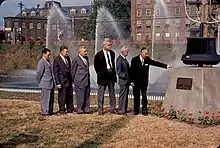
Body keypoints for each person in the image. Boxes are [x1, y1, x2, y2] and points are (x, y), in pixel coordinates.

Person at [130, 47, 172, 116]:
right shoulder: (134, 60)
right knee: (136, 97)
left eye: (147, 53)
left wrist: (166, 66)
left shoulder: (147, 59)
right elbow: (131, 71)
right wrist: (131, 81)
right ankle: (136, 110)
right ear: (141, 52)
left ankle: (144, 111)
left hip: (144, 82)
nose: (146, 55)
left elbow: (155, 63)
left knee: (144, 96)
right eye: (145, 53)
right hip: (136, 82)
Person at [94, 38, 117, 115]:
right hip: (102, 77)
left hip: (111, 76)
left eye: (110, 44)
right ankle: (100, 110)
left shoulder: (112, 53)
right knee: (101, 94)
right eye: (108, 44)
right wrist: (100, 74)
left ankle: (112, 108)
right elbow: (96, 67)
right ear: (104, 45)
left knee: (112, 93)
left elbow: (113, 64)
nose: (110, 46)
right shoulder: (98, 55)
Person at [53, 46, 74, 114]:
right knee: (62, 96)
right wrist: (58, 83)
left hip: (69, 80)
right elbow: (55, 72)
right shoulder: (57, 60)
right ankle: (62, 109)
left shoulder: (67, 58)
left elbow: (69, 68)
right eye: (66, 52)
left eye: (67, 52)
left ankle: (70, 109)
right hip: (62, 81)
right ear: (61, 52)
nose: (67, 53)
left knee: (69, 95)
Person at [71, 46, 91, 114]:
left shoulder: (86, 58)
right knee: (80, 96)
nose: (86, 52)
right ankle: (80, 109)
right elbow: (73, 71)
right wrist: (73, 81)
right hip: (79, 81)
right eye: (84, 51)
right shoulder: (76, 59)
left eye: (86, 51)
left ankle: (86, 109)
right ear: (80, 52)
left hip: (86, 80)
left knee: (87, 95)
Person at [36, 48, 54, 116]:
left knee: (50, 98)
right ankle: (44, 112)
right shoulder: (41, 62)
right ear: (43, 54)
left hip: (50, 83)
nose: (49, 56)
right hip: (45, 83)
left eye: (50, 55)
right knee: (45, 99)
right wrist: (40, 82)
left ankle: (50, 110)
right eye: (48, 55)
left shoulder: (48, 61)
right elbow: (38, 73)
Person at [116, 46, 130, 115]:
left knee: (125, 95)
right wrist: (125, 76)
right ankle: (121, 110)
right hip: (123, 81)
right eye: (127, 51)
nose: (128, 52)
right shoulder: (119, 59)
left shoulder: (124, 59)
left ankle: (124, 109)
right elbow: (118, 72)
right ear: (123, 51)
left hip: (126, 81)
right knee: (122, 96)